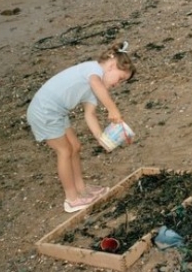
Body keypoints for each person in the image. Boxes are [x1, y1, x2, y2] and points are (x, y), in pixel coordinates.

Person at [26, 41, 136, 213]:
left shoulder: (94, 87)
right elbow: (96, 83)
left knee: (75, 146)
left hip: (57, 112)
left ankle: (81, 188)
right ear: (111, 66)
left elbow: (89, 114)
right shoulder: (93, 70)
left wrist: (102, 138)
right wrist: (113, 109)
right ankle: (72, 199)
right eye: (120, 78)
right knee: (64, 151)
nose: (118, 84)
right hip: (44, 111)